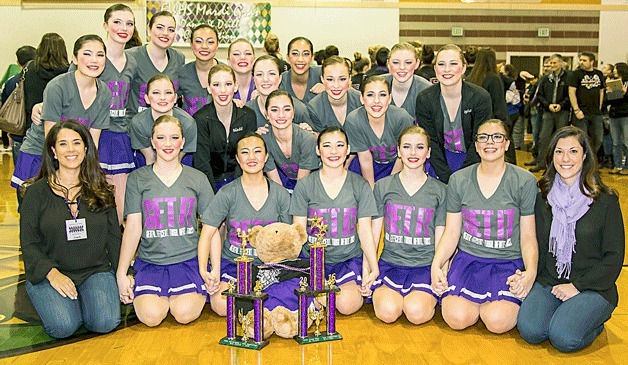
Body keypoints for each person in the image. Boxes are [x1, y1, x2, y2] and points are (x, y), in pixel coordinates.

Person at [517, 126, 624, 352]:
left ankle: (592, 320)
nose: (566, 158)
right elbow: (532, 243)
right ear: (551, 156)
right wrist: (527, 274)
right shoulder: (542, 198)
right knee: (531, 330)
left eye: (573, 151)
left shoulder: (605, 201)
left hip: (593, 286)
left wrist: (577, 286)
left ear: (585, 156)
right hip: (551, 282)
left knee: (564, 338)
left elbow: (614, 258)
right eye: (559, 151)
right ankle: (567, 315)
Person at [431, 118, 538, 334]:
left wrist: (530, 273)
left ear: (507, 144)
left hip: (506, 264)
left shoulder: (524, 181)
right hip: (468, 262)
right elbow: (452, 232)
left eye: (497, 136)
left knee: (497, 322)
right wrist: (437, 265)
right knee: (457, 318)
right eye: (483, 137)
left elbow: (528, 236)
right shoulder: (458, 180)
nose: (490, 142)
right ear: (476, 145)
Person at [20, 119, 121, 339]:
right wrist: (52, 274)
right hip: (51, 272)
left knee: (104, 322)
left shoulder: (101, 190)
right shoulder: (35, 194)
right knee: (64, 326)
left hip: (94, 270)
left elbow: (114, 238)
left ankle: (83, 299)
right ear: (53, 151)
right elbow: (29, 244)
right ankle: (46, 296)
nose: (71, 149)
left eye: (76, 143)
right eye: (63, 144)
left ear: (86, 148)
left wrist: (124, 274)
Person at [117, 115, 214, 327]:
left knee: (184, 313)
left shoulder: (197, 178)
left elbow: (211, 228)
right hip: (152, 262)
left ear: (183, 141)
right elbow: (133, 227)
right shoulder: (137, 178)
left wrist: (212, 268)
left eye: (174, 137)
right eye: (161, 138)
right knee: (151, 317)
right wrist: (121, 273)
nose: (168, 144)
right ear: (152, 141)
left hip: (188, 261)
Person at [198, 132, 291, 315]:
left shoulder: (280, 194)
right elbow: (207, 233)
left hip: (268, 265)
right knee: (222, 306)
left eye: (257, 151)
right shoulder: (227, 193)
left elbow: (288, 240)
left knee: (284, 302)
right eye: (245, 152)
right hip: (234, 263)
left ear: (266, 158)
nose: (252, 157)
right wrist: (205, 270)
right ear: (238, 159)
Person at [290, 126, 380, 315]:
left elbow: (365, 230)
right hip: (312, 261)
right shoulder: (305, 185)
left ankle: (319, 298)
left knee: (347, 305)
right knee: (298, 299)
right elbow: (298, 232)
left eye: (339, 145)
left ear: (348, 150)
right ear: (318, 150)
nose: (333, 151)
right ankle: (316, 294)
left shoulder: (360, 185)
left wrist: (373, 267)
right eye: (327, 145)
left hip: (346, 260)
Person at [12, 35, 110, 192]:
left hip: (71, 157)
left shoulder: (104, 92)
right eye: (87, 54)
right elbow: (51, 137)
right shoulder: (57, 87)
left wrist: (87, 170)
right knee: (36, 208)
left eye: (100, 55)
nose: (94, 60)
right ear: (75, 59)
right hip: (40, 154)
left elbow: (93, 140)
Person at [371, 126, 446, 325]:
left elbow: (442, 237)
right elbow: (373, 233)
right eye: (407, 147)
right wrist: (369, 269)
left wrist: (440, 270)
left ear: (428, 152)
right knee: (387, 312)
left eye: (420, 147)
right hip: (391, 264)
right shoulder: (383, 186)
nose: (413, 153)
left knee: (416, 313)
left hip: (424, 266)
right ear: (398, 151)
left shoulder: (440, 190)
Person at [415, 44, 493, 184]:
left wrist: (462, 178)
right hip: (440, 162)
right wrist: (447, 178)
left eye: (453, 64)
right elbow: (430, 142)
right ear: (435, 69)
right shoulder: (425, 99)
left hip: (473, 160)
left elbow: (481, 140)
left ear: (463, 68)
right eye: (441, 64)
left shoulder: (480, 98)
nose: (447, 69)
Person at [8, 34, 67, 202]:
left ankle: (25, 217)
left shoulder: (29, 69)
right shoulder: (68, 73)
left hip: (27, 136)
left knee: (25, 185)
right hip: (57, 137)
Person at [94, 3, 139, 224]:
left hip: (121, 135)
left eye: (129, 23)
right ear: (105, 25)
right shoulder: (94, 57)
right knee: (94, 192)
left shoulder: (132, 61)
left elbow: (134, 100)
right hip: (96, 133)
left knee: (121, 198)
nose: (124, 28)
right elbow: (70, 89)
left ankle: (118, 246)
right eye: (117, 22)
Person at [193, 64, 257, 192]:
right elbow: (202, 163)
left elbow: (248, 157)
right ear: (209, 88)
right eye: (216, 85)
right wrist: (211, 196)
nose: (223, 90)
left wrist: (239, 191)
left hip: (240, 180)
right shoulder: (200, 118)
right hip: (211, 181)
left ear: (235, 86)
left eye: (228, 84)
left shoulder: (248, 115)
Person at [346, 76, 414, 188]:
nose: (376, 101)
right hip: (371, 164)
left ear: (390, 98)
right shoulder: (354, 120)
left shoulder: (401, 118)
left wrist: (388, 186)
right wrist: (371, 190)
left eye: (382, 95)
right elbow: (365, 159)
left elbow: (403, 156)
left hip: (398, 164)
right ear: (362, 99)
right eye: (370, 95)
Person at [126, 10, 184, 120]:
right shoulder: (131, 57)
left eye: (170, 30)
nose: (165, 33)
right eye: (160, 27)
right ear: (149, 30)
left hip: (167, 126)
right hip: (137, 127)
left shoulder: (178, 58)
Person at [128, 74, 197, 168]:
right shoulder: (138, 123)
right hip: (151, 165)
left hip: (180, 164)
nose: (162, 98)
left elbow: (176, 160)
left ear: (175, 98)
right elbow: (150, 158)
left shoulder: (188, 123)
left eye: (168, 93)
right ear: (147, 99)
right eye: (156, 93)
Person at [261, 90, 319, 191]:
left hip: (314, 185)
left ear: (293, 113)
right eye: (274, 110)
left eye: (287, 109)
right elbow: (277, 187)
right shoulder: (264, 141)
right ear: (266, 114)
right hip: (287, 183)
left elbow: (302, 189)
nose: (281, 115)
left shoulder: (306, 138)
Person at [466, 47, 514, 164]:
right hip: (492, 128)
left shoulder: (470, 79)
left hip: (473, 128)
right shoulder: (493, 79)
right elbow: (499, 108)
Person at [245, 55, 312, 129]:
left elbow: (316, 136)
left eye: (272, 74)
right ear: (254, 79)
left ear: (280, 78)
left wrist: (307, 132)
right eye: (259, 74)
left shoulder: (298, 109)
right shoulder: (247, 111)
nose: (265, 79)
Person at [530, 54, 570, 173]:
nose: (552, 65)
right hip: (548, 111)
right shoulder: (546, 79)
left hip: (562, 111)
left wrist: (561, 105)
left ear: (561, 63)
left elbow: (571, 94)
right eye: (551, 63)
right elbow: (540, 95)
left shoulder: (568, 77)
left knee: (561, 138)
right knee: (544, 137)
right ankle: (541, 163)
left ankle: (559, 165)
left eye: (554, 63)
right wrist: (548, 105)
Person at [307, 56, 362, 132]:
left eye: (342, 79)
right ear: (322, 79)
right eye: (330, 79)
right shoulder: (315, 108)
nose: (336, 85)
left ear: (349, 79)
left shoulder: (362, 101)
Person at [569, 52, 605, 157]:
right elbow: (571, 92)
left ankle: (591, 159)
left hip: (595, 112)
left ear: (592, 62)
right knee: (582, 139)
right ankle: (581, 161)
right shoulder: (576, 74)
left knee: (598, 139)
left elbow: (601, 91)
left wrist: (599, 106)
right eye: (580, 60)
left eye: (584, 60)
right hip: (581, 112)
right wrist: (576, 110)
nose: (581, 62)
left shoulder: (599, 74)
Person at [179, 24, 219, 117]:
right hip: (189, 130)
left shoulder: (226, 73)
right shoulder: (182, 73)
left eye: (210, 42)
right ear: (191, 45)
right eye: (198, 41)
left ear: (217, 45)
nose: (204, 46)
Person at [383, 42, 431, 118]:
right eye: (396, 62)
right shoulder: (377, 85)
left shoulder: (427, 91)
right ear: (388, 64)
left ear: (417, 64)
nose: (402, 67)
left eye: (408, 62)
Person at [279, 37, 324, 104]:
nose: (300, 59)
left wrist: (329, 90)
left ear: (312, 57)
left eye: (305, 54)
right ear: (288, 57)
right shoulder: (280, 81)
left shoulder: (323, 74)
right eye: (295, 54)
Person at [607, 63, 628, 175]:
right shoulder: (612, 82)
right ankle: (617, 165)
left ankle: (626, 166)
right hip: (614, 114)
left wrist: (625, 93)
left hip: (625, 115)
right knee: (615, 142)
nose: (614, 71)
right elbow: (610, 101)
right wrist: (609, 94)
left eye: (615, 69)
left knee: (626, 142)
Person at [228, 38, 256, 103]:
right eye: (236, 54)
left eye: (248, 53)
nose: (243, 57)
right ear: (228, 61)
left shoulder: (263, 86)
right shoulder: (221, 88)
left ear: (254, 60)